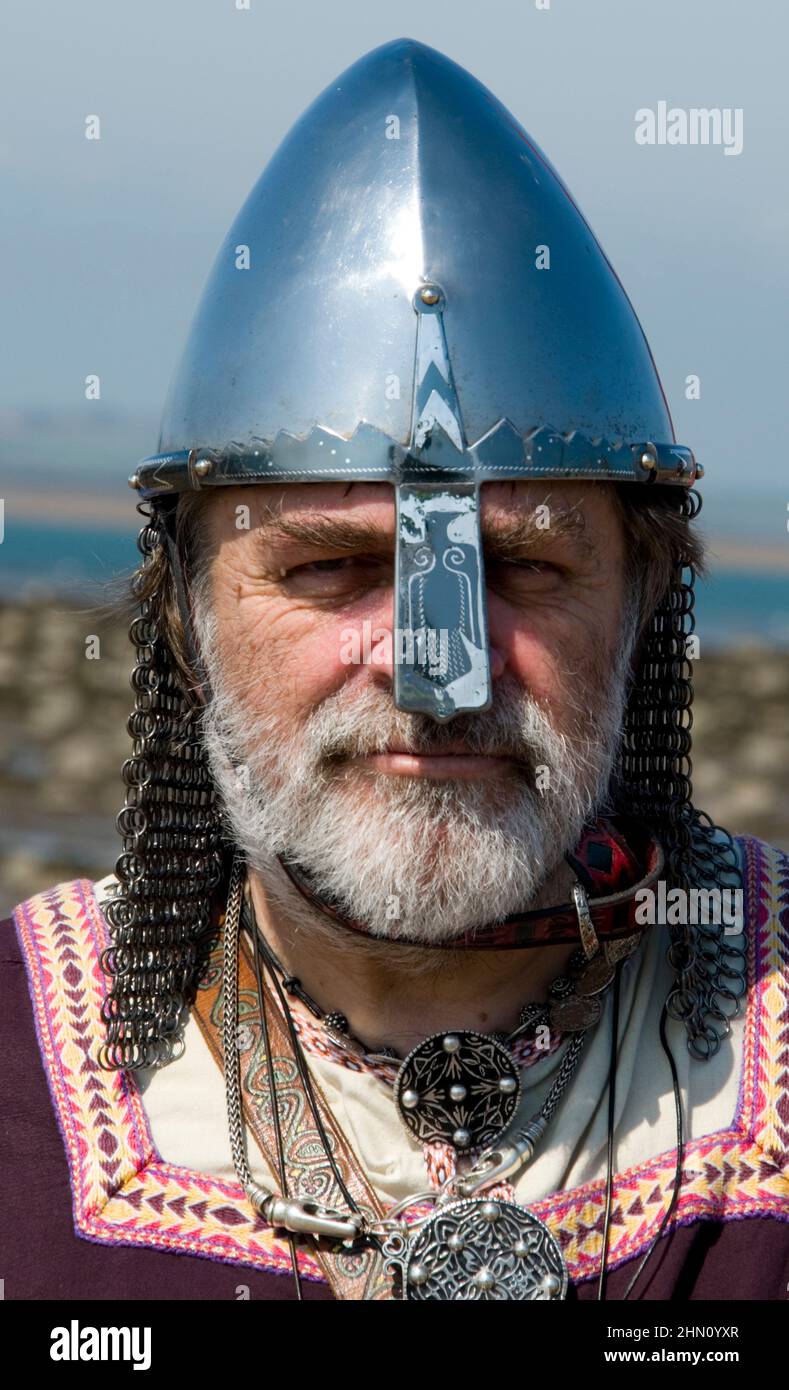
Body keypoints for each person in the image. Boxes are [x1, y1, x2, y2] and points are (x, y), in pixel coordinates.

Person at [4, 38, 788, 1303]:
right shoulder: (14, 1093)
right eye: (330, 569)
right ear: (188, 614)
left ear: (644, 603)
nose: (438, 670)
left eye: (528, 570)